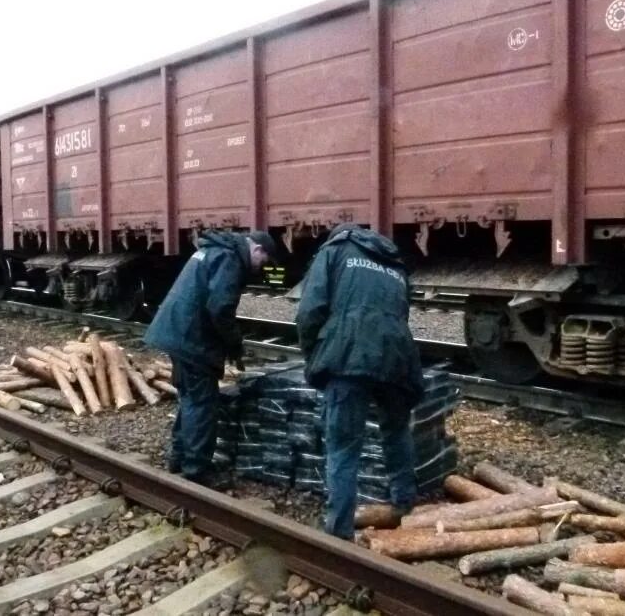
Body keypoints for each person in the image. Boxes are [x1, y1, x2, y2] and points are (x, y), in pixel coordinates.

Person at [295, 223, 424, 539]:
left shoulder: (333, 252)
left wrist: (314, 355)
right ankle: (404, 505)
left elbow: (310, 311)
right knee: (396, 431)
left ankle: (339, 530)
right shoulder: (395, 264)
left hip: (348, 357)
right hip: (397, 356)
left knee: (343, 445)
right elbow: (401, 312)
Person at [145, 229, 278, 489]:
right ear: (258, 249)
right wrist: (234, 345)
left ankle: (179, 457)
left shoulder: (214, 250)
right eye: (264, 261)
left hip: (179, 332)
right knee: (203, 403)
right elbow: (220, 307)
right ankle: (196, 469)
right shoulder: (229, 258)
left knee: (190, 399)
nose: (261, 268)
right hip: (190, 338)